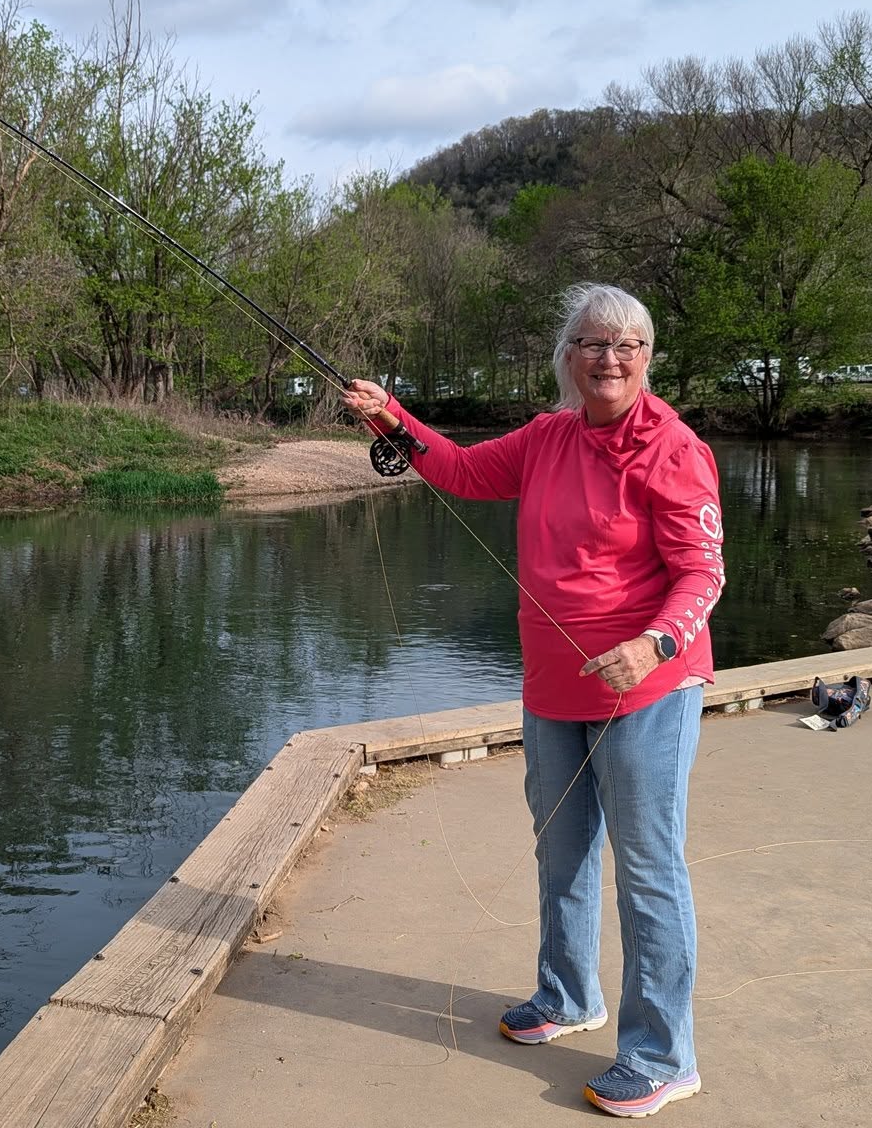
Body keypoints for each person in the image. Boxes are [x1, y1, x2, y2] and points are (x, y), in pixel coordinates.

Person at [341, 282, 723, 1119]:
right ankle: (568, 994)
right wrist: (391, 418)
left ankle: (664, 1056)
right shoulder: (549, 436)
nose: (610, 358)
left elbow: (704, 572)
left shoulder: (675, 448)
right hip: (553, 688)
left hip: (649, 690)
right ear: (568, 357)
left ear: (647, 358)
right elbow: (464, 471)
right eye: (593, 343)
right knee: (562, 851)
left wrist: (654, 644)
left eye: (627, 345)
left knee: (649, 871)